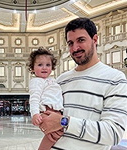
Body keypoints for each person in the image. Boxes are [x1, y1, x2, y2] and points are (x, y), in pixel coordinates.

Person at [39, 17, 127, 150]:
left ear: (95, 39)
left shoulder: (115, 79)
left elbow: (113, 133)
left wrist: (65, 122)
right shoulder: (61, 80)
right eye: (70, 43)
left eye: (81, 40)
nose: (75, 48)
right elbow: (47, 118)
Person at [28, 47, 64, 150]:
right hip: (47, 110)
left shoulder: (52, 80)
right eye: (40, 65)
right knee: (55, 133)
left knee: (56, 133)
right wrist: (35, 114)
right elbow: (34, 98)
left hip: (56, 111)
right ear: (32, 68)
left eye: (48, 65)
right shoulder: (37, 81)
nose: (44, 68)